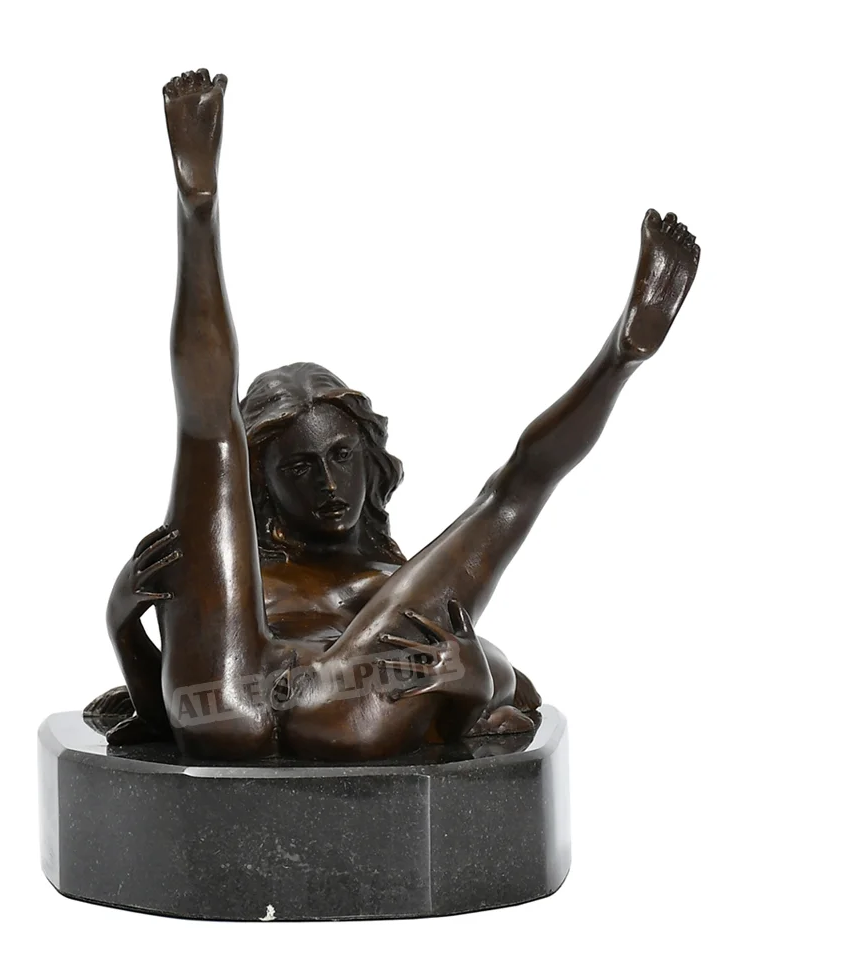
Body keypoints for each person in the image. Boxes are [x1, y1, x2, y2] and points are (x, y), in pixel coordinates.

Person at [86, 69, 700, 762]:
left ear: (369, 458)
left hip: (340, 702)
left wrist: (470, 679)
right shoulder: (240, 567)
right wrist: (122, 619)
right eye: (300, 467)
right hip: (227, 695)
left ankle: (619, 356)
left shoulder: (395, 585)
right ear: (266, 486)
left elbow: (513, 668)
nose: (329, 483)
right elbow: (162, 715)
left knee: (504, 499)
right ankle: (198, 211)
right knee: (209, 437)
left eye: (341, 456)